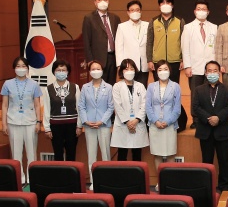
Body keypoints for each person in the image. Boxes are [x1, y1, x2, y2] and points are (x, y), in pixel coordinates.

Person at [192, 60, 228, 191]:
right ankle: (207, 186)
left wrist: (218, 118)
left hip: (222, 130)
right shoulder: (198, 90)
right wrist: (208, 118)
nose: (212, 73)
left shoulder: (227, 89)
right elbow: (196, 107)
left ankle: (225, 186)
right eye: (209, 71)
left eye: (215, 71)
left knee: (224, 160)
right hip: (205, 130)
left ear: (219, 72)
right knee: (206, 161)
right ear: (205, 73)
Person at [1, 57, 42, 184]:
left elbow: (37, 105)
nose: (21, 68)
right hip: (13, 121)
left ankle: (32, 178)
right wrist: (4, 124)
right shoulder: (7, 84)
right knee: (16, 153)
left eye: (23, 66)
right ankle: (20, 178)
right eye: (18, 66)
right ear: (14, 68)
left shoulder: (34, 84)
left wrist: (38, 122)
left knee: (31, 153)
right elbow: (4, 105)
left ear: (27, 68)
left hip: (30, 121)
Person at [146, 60, 182, 190]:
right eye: (160, 69)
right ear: (156, 72)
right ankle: (160, 182)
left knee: (170, 153)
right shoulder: (151, 87)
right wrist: (155, 121)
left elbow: (177, 108)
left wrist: (168, 121)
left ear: (170, 71)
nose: (163, 72)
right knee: (157, 154)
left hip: (170, 125)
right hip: (154, 125)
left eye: (165, 69)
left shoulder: (176, 86)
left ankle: (170, 181)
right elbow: (148, 107)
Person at [78, 60, 114, 189]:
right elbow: (81, 106)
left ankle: (106, 181)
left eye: (98, 68)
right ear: (89, 72)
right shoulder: (85, 87)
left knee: (106, 154)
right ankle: (94, 181)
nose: (96, 71)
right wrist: (85, 120)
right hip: (89, 125)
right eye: (93, 69)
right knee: (91, 155)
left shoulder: (108, 87)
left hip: (103, 125)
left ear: (102, 71)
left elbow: (111, 107)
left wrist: (102, 121)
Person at [182, 0, 218, 129]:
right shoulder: (188, 28)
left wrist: (216, 67)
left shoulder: (214, 27)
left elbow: (216, 48)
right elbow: (185, 48)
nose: (201, 11)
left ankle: (208, 117)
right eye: (199, 9)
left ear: (208, 12)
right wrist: (187, 66)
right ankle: (196, 119)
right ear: (194, 11)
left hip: (211, 68)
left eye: (204, 9)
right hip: (194, 67)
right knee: (195, 94)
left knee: (210, 93)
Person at [42, 59, 82, 162]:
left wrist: (79, 125)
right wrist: (47, 128)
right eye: (58, 70)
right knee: (58, 154)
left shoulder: (75, 87)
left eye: (63, 70)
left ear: (68, 72)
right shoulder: (48, 89)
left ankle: (71, 172)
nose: (61, 72)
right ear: (54, 72)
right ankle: (59, 173)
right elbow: (47, 109)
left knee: (71, 153)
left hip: (72, 126)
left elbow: (79, 107)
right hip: (55, 126)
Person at [110, 59, 149, 161]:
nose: (129, 71)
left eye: (132, 68)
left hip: (137, 124)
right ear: (122, 71)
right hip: (123, 125)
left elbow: (144, 104)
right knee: (122, 156)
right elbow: (117, 106)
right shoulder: (117, 86)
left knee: (137, 156)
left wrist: (136, 120)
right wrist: (128, 122)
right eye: (126, 69)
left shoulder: (140, 86)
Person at [82, 0, 121, 85]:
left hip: (113, 57)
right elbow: (86, 41)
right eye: (99, 0)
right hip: (97, 58)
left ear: (108, 2)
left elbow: (120, 38)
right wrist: (90, 60)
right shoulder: (89, 18)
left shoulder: (115, 18)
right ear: (95, 2)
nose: (102, 2)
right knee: (99, 84)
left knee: (111, 84)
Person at [147, 0, 186, 83]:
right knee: (158, 86)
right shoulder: (153, 21)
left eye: (168, 3)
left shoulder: (180, 21)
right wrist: (149, 60)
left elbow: (184, 42)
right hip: (158, 61)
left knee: (174, 86)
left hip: (175, 61)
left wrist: (183, 60)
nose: (165, 5)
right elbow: (149, 42)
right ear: (159, 6)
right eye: (162, 3)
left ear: (172, 5)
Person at [115, 0, 149, 87]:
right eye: (132, 10)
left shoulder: (147, 25)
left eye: (137, 10)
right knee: (128, 87)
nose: (135, 12)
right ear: (128, 12)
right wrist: (119, 64)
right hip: (128, 65)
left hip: (143, 63)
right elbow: (119, 47)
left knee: (142, 87)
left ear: (141, 11)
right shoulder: (122, 27)